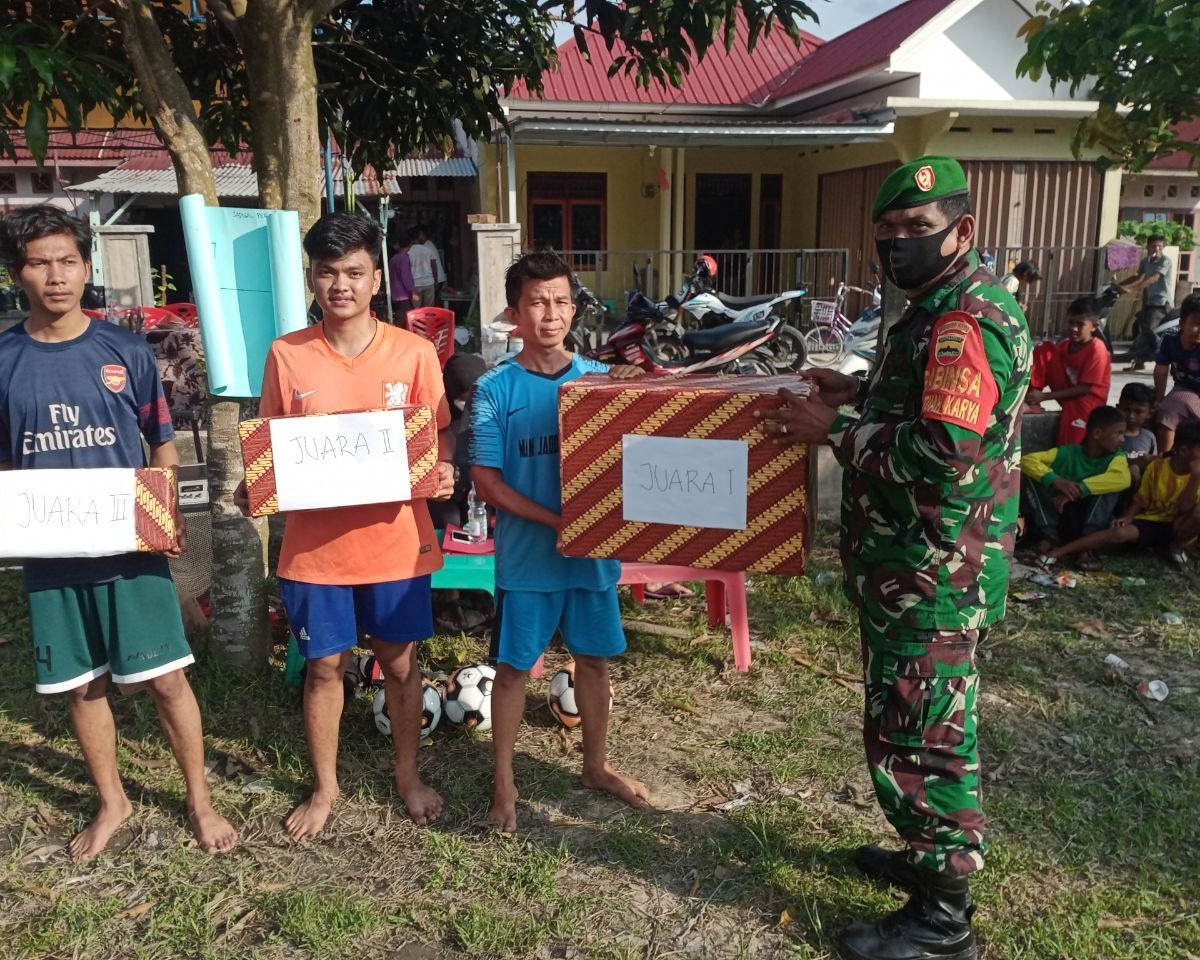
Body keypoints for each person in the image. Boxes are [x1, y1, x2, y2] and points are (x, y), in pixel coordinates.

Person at [757, 156, 1030, 960]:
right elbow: (926, 401)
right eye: (889, 232)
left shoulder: (962, 321)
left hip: (934, 571)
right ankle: (924, 863)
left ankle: (944, 922)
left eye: (920, 229)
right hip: (914, 567)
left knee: (926, 732)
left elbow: (946, 446)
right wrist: (858, 392)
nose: (901, 243)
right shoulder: (938, 306)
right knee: (906, 716)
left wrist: (832, 431)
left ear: (963, 230)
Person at [0, 205, 236, 860]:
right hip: (52, 553)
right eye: (40, 263)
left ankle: (199, 799)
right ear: (18, 272)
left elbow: (161, 444)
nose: (56, 276)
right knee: (83, 686)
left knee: (166, 679)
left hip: (131, 549)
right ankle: (113, 800)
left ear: (85, 267)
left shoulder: (125, 351)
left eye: (68, 261)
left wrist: (167, 519)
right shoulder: (4, 358)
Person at [238, 212, 455, 840]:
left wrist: (442, 471)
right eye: (328, 272)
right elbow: (272, 449)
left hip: (396, 545)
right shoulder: (287, 355)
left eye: (354, 272)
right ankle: (325, 787)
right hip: (315, 552)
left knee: (402, 664)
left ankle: (408, 776)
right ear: (312, 279)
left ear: (376, 278)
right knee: (325, 668)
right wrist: (254, 483)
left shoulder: (414, 353)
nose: (341, 285)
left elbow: (436, 438)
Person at [468, 250, 648, 834]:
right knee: (515, 667)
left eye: (562, 301)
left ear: (575, 307)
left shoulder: (600, 382)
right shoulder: (494, 389)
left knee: (592, 662)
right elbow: (487, 483)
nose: (551, 313)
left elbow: (644, 453)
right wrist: (556, 521)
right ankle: (503, 780)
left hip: (592, 557)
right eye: (537, 302)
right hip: (528, 560)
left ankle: (596, 766)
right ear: (514, 313)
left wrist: (638, 390)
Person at [1040, 419, 1200, 570]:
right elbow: (1141, 499)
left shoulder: (1196, 475)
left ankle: (1176, 548)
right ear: (1184, 450)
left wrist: (1194, 477)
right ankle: (1058, 552)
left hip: (1181, 526)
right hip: (1153, 521)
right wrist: (1129, 516)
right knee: (1119, 533)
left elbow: (1184, 509)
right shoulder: (1157, 467)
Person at [1020, 405, 1130, 567]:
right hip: (1061, 516)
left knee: (1111, 488)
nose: (1122, 439)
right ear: (1097, 434)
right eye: (1118, 433)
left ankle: (1086, 548)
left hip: (1089, 521)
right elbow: (1026, 460)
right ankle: (1049, 537)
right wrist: (1056, 480)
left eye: (1123, 434)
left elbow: (1123, 479)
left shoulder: (1116, 458)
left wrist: (1080, 489)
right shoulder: (1067, 453)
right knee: (1032, 476)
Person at [1025, 297, 1111, 446]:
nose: (1074, 328)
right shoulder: (1065, 345)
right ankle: (1032, 400)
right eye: (1071, 322)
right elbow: (1047, 364)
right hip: (1068, 392)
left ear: (1094, 326)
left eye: (1080, 324)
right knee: (1043, 348)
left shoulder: (1097, 349)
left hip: (1087, 401)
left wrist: (1045, 396)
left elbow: (1085, 388)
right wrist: (1037, 394)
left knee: (1071, 443)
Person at [1152, 293, 1200, 454]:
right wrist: (1159, 398)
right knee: (1167, 408)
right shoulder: (1170, 340)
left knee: (1175, 404)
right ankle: (1163, 458)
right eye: (1196, 324)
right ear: (1182, 323)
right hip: (1183, 388)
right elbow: (1161, 369)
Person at [1118, 234, 1173, 372]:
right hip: (1148, 301)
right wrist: (1119, 285)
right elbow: (1137, 276)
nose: (1157, 248)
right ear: (1148, 247)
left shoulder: (1165, 261)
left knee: (1151, 332)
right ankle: (1139, 362)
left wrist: (1132, 289)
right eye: (1154, 245)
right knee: (1142, 331)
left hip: (1160, 303)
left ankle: (1164, 359)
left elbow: (1154, 278)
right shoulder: (1145, 261)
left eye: (1160, 246)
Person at [1116, 381, 1158, 489]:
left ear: (1149, 414)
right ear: (1118, 407)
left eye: (1138, 411)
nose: (1131, 416)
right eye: (1126, 410)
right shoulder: (1110, 435)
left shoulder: (1149, 437)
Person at [407, 226, 437, 310]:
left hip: (415, 284)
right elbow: (434, 267)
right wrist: (436, 281)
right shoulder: (428, 250)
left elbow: (407, 269)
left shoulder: (408, 252)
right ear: (418, 237)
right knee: (429, 310)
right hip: (428, 283)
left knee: (416, 311)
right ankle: (428, 323)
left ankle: (417, 323)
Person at [387, 234, 416, 323]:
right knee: (404, 320)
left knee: (400, 318)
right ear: (410, 245)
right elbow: (406, 277)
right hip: (403, 294)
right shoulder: (404, 258)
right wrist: (412, 291)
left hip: (395, 293)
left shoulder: (393, 258)